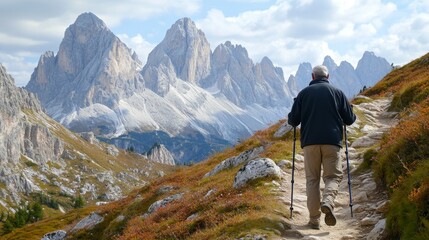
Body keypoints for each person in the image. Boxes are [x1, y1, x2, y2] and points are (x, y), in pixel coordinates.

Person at [287, 65, 356, 229]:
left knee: (312, 180)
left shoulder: (303, 94)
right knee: (332, 177)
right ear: (328, 76)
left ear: (313, 76)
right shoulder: (338, 93)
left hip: (310, 143)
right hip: (332, 142)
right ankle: (328, 201)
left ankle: (314, 220)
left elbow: (293, 121)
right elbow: (350, 119)